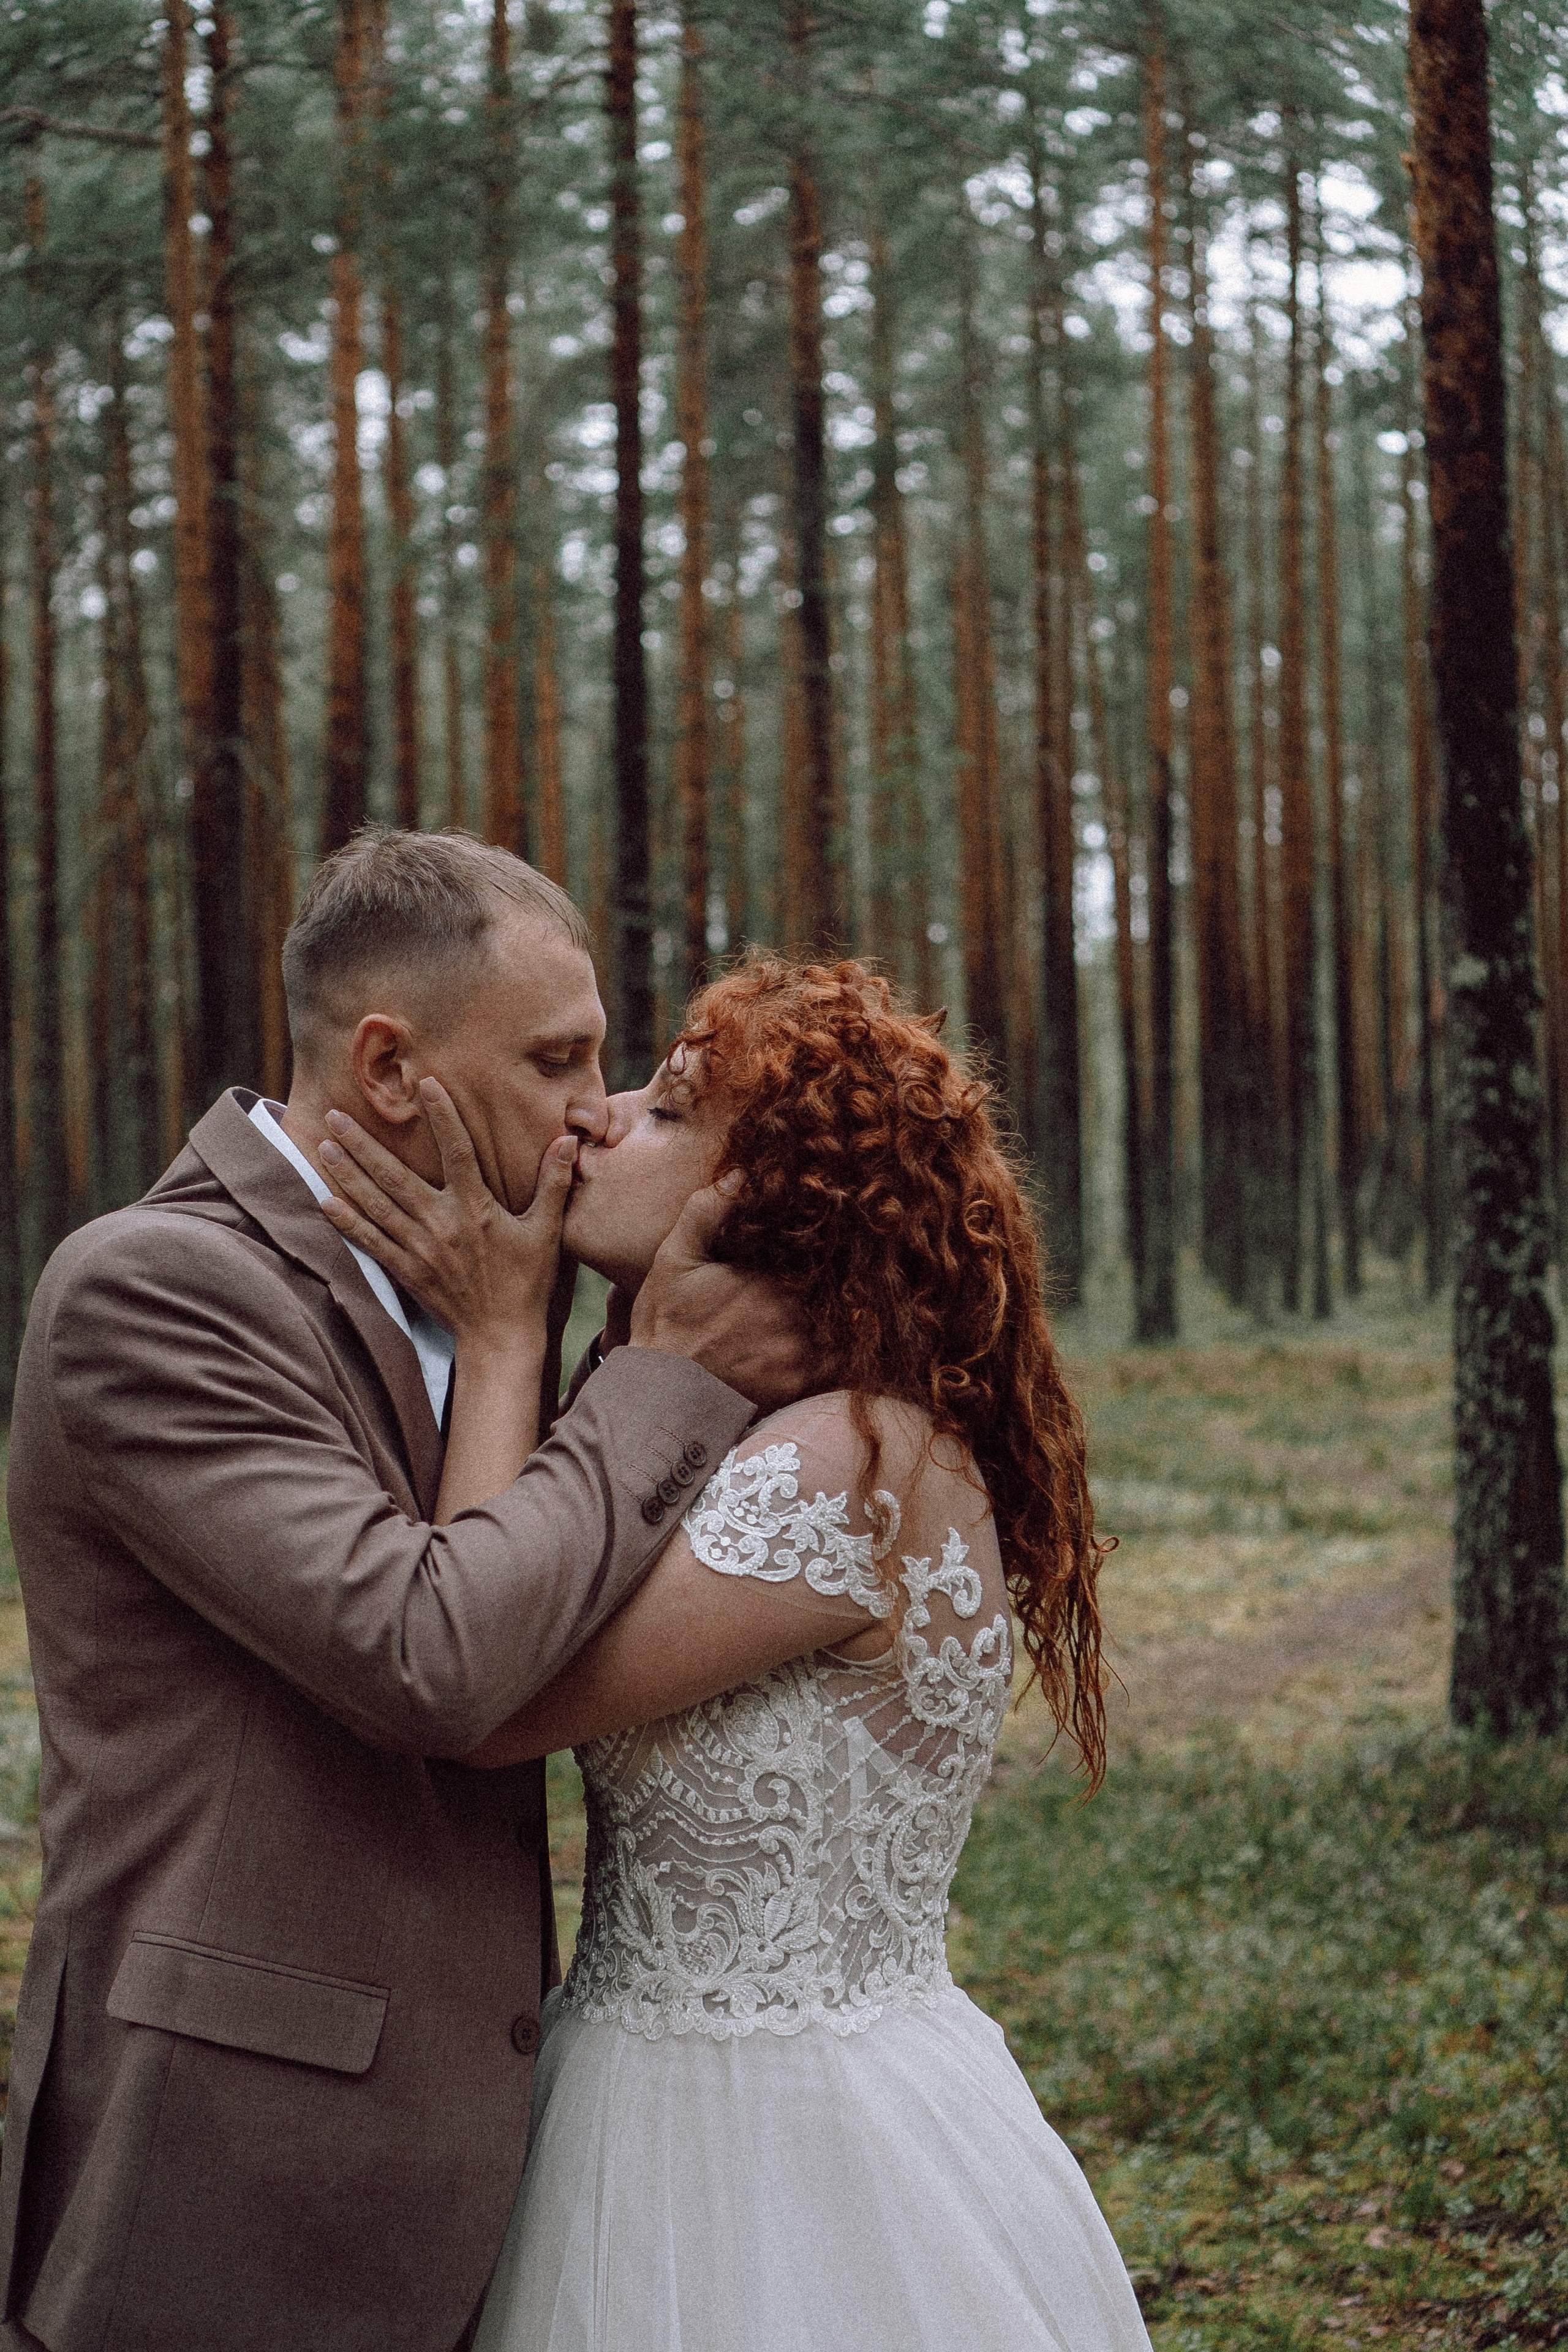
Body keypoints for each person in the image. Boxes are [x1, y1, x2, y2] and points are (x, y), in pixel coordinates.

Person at [0, 831, 805, 2352]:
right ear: (387, 1068)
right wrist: (654, 1378)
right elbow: (433, 1656)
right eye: (557, 1058)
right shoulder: (152, 1291)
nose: (592, 1109)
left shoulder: (499, 1275)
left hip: (490, 2168)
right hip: (231, 2175)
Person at [320, 952, 1154, 2352]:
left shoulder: (840, 1465)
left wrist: (500, 1330)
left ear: (763, 1200)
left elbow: (474, 1687)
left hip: (758, 2137)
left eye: (664, 1108)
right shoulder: (816, 1437)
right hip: (730, 2078)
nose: (599, 1115)